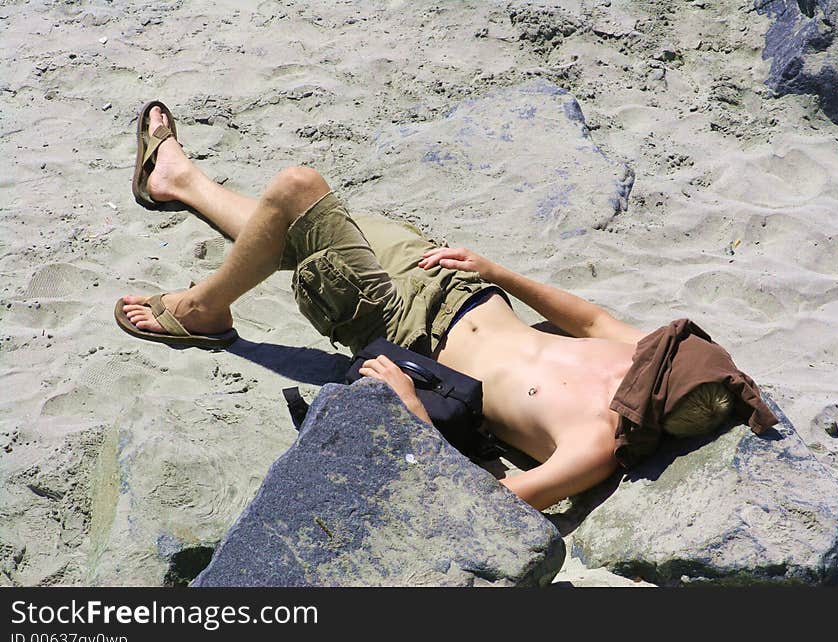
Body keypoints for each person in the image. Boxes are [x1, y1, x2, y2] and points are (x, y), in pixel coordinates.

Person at [117, 101, 777, 512]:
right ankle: (178, 180)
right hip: (454, 282)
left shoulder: (596, 442)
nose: (662, 347)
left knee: (299, 191)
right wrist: (494, 270)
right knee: (302, 222)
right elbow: (591, 318)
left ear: (660, 398)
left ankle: (202, 310)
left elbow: (499, 498)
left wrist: (410, 409)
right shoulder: (649, 356)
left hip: (400, 328)